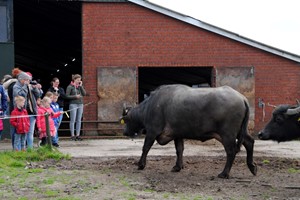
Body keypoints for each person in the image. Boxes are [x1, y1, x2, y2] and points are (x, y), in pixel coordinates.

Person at [13, 71, 41, 149]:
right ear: (21, 79)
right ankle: (19, 150)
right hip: (22, 113)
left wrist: (35, 89)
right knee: (21, 132)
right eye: (26, 79)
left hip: (31, 111)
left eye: (28, 80)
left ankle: (30, 149)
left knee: (30, 132)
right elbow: (21, 95)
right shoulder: (16, 86)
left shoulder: (29, 86)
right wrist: (25, 86)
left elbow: (38, 95)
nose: (28, 81)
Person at [2, 68, 21, 148]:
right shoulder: (16, 85)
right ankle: (17, 147)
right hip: (16, 108)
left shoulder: (9, 85)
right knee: (17, 128)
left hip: (12, 108)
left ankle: (15, 146)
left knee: (13, 127)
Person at [66, 74, 86, 141]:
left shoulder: (79, 87)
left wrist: (81, 86)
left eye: (80, 80)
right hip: (73, 104)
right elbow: (67, 96)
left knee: (79, 120)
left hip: (80, 104)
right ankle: (72, 135)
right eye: (78, 80)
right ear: (74, 80)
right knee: (73, 120)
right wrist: (75, 96)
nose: (79, 81)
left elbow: (84, 94)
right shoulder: (70, 87)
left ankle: (78, 135)